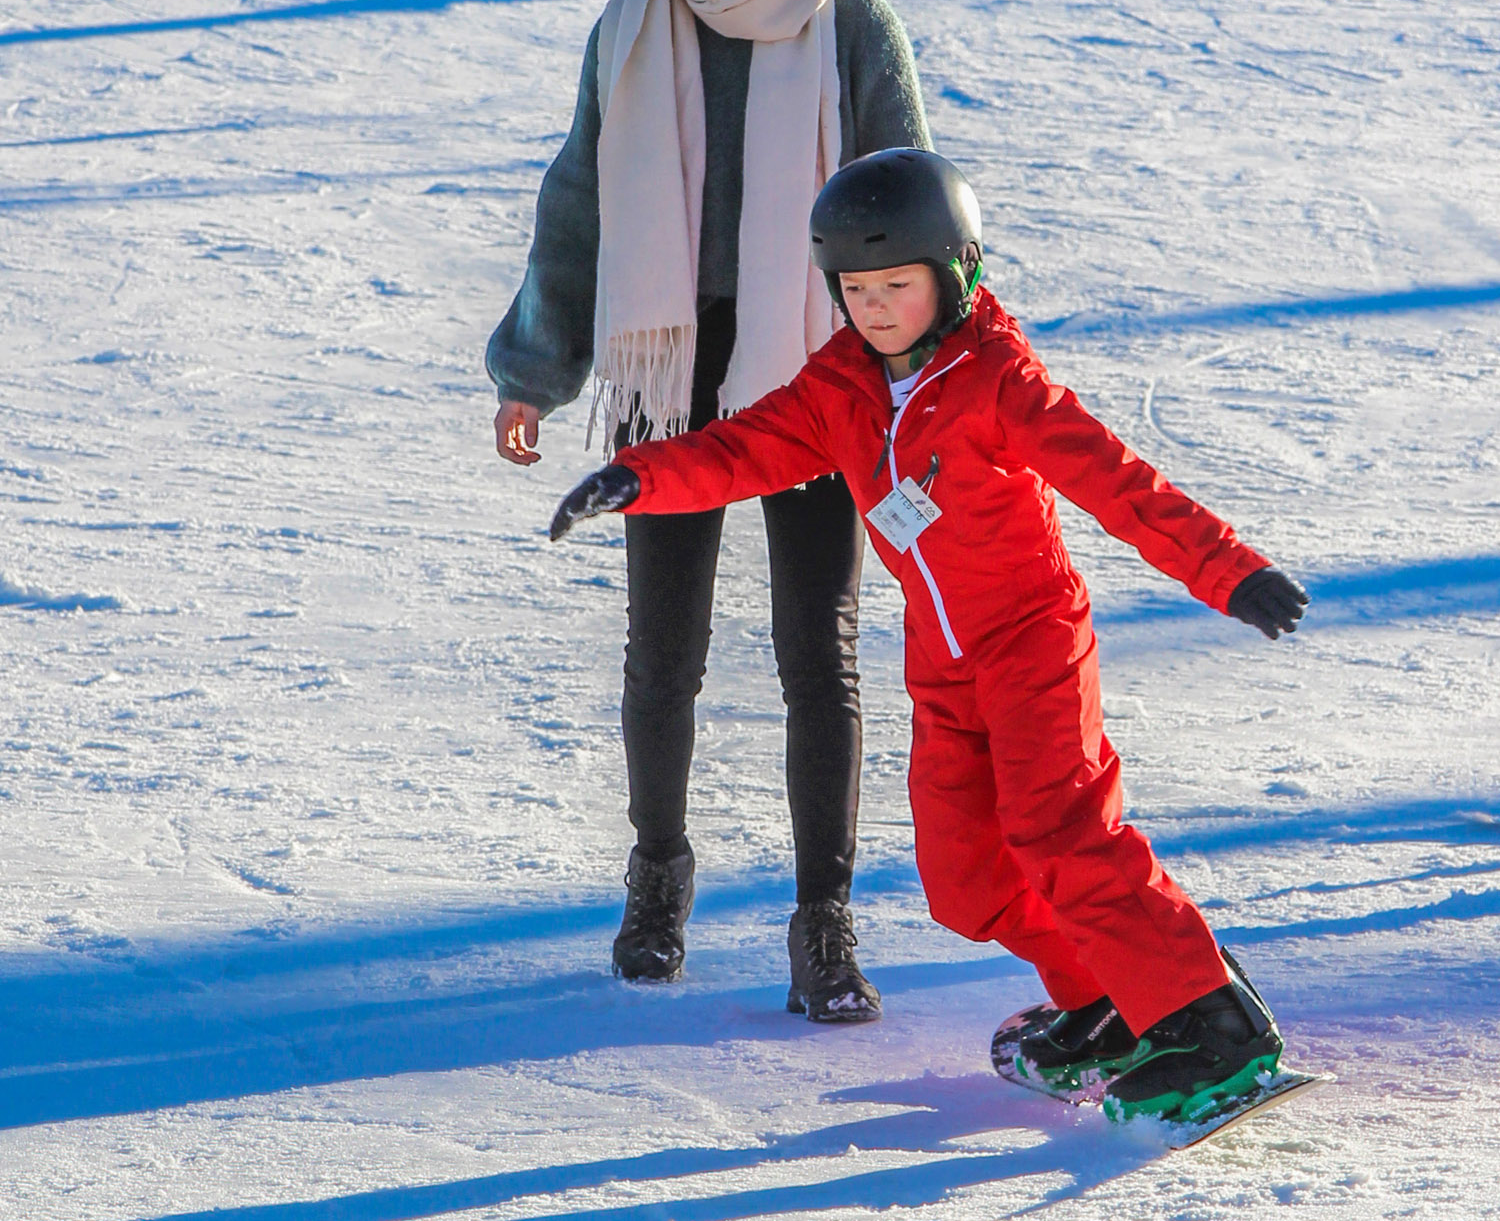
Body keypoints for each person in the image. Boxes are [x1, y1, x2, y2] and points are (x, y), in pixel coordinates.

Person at [549, 148, 1312, 1123]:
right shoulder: (841, 388)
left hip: (1033, 644)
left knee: (1065, 833)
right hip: (944, 668)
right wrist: (642, 478)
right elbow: (745, 448)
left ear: (956, 273)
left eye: (896, 285)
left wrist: (1228, 569)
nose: (872, 308)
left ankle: (1211, 1023)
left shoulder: (998, 380)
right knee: (964, 882)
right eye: (854, 288)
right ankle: (1113, 995)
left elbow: (1114, 482)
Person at [485, 0, 932, 1018]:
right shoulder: (634, 26)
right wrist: (535, 366)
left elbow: (909, 214)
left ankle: (822, 923)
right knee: (662, 653)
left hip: (817, 371)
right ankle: (659, 879)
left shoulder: (850, 26)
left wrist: (918, 384)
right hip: (668, 368)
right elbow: (578, 199)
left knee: (819, 654)